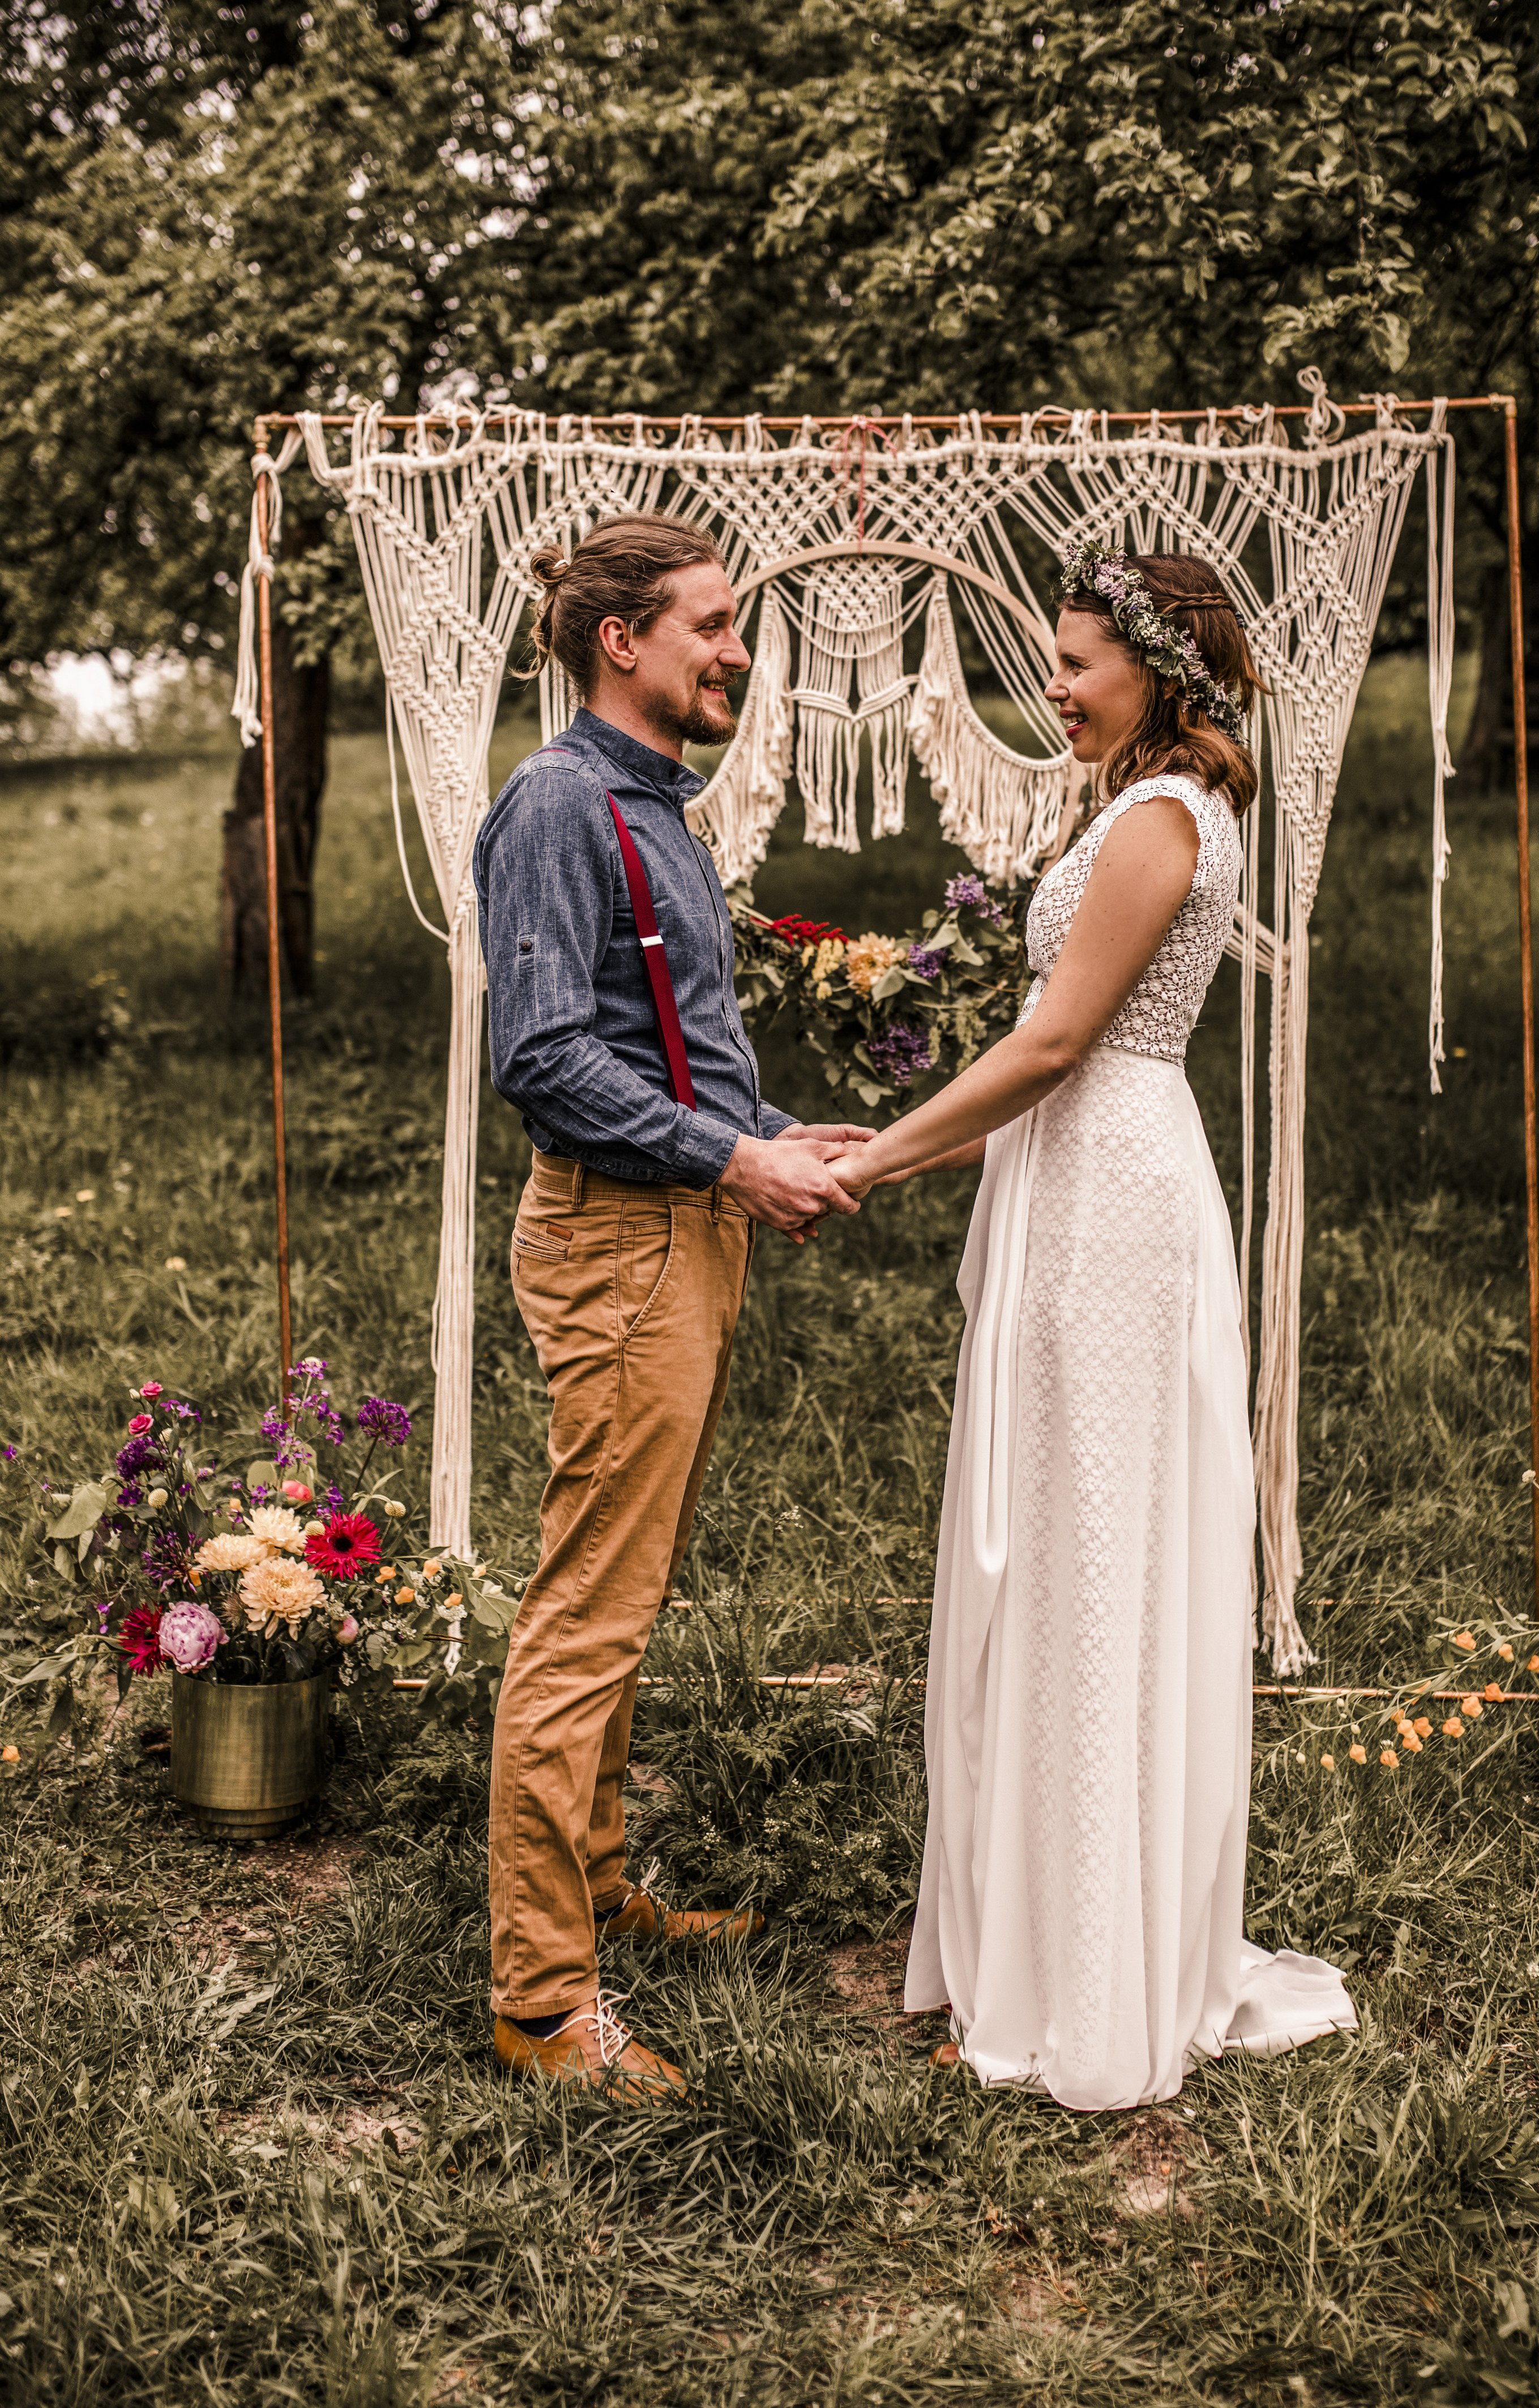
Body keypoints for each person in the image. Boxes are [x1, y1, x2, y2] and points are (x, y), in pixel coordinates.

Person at [826, 544, 1357, 2111]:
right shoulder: (1145, 803)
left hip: (1114, 1191)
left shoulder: (1165, 818)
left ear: (1163, 667)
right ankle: (1040, 1926)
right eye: (1052, 661)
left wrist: (873, 1153)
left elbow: (1060, 1038)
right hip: (1079, 1184)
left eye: (1075, 663)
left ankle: (1097, 1969)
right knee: (1049, 1547)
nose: (1050, 687)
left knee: (1097, 1550)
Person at [473, 510, 870, 2098]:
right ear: (616, 639)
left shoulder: (652, 800)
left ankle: (600, 1879)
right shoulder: (562, 803)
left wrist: (768, 1140)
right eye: (707, 623)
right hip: (619, 1239)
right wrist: (732, 1155)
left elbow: (660, 1040)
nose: (735, 648)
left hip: (684, 1221)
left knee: (624, 1597)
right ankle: (540, 1996)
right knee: (587, 1612)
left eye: (734, 623)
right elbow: (549, 1058)